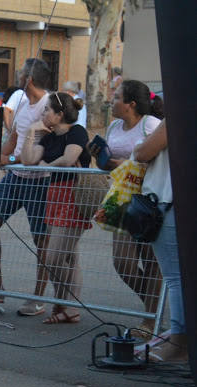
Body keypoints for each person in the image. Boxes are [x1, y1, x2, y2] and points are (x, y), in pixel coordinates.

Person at [0, 58, 51, 317]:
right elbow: (15, 138)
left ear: (28, 79)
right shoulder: (20, 101)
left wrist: (13, 159)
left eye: (20, 74)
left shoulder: (50, 105)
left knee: (42, 239)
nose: (17, 77)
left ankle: (38, 297)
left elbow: (48, 146)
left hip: (40, 180)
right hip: (15, 177)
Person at [90, 79, 163, 336]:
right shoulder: (112, 126)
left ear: (131, 104)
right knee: (123, 263)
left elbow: (155, 160)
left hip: (148, 199)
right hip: (120, 197)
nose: (111, 100)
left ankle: (150, 321)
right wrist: (101, 159)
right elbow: (108, 164)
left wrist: (121, 162)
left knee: (151, 262)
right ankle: (156, 307)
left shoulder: (151, 125)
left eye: (117, 97)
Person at [21, 92, 91, 324]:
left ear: (59, 114)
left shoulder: (76, 131)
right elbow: (29, 160)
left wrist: (47, 165)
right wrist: (32, 132)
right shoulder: (49, 137)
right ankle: (70, 309)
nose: (43, 113)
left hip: (74, 195)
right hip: (55, 195)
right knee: (70, 257)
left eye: (47, 110)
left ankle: (64, 303)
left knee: (53, 257)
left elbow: (70, 158)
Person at [134, 120, 186, 363]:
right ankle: (177, 336)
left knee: (175, 278)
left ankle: (179, 340)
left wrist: (139, 146)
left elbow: (143, 152)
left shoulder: (177, 115)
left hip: (167, 201)